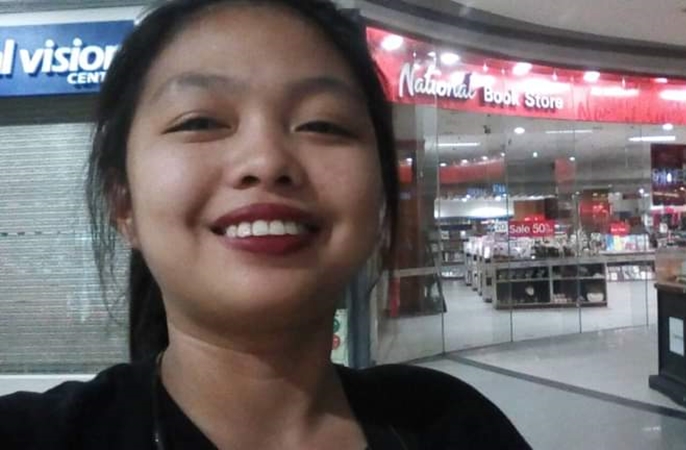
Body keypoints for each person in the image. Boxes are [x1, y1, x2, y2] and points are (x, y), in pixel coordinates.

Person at [0, 1, 530, 448]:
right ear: (124, 204)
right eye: (200, 121)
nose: (267, 159)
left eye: (323, 124)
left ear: (379, 199)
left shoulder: (452, 426)